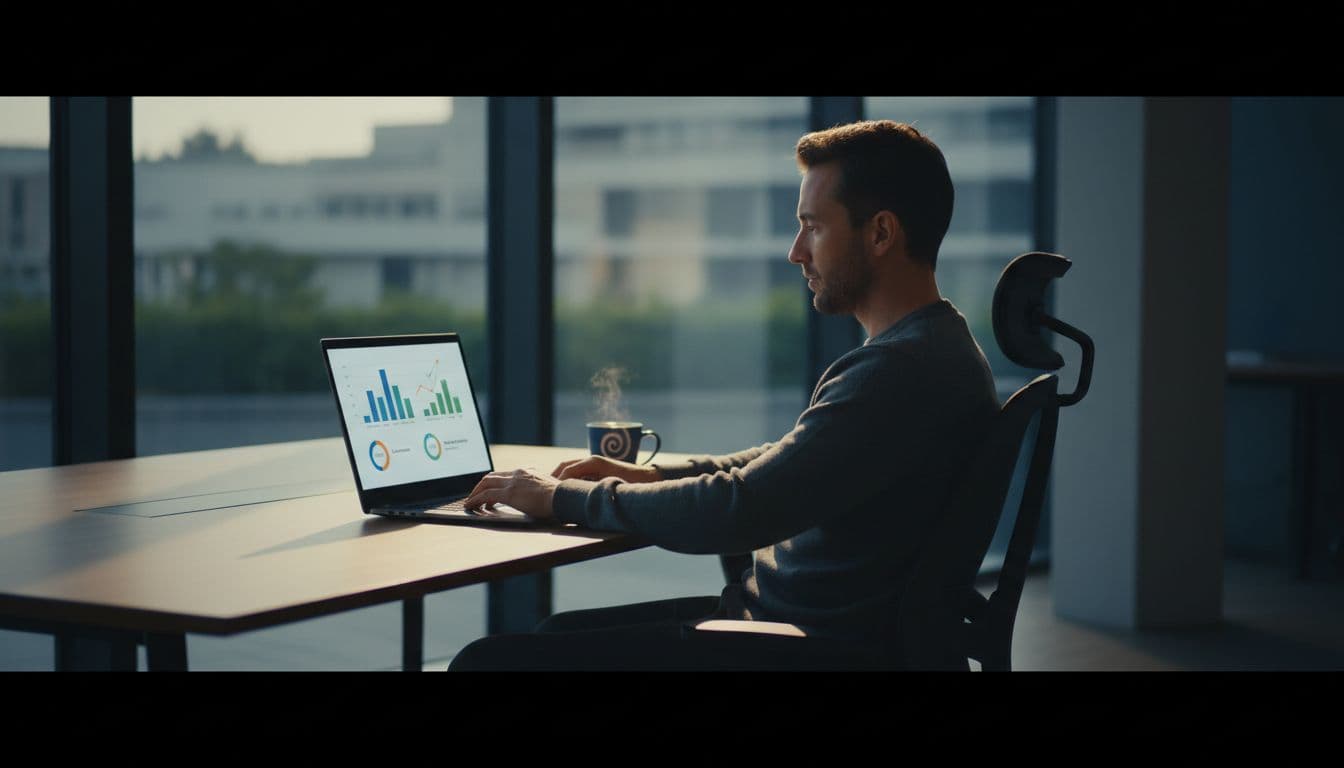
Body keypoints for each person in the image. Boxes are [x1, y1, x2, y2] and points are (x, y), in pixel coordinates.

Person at [449, 120, 1000, 670]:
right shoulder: (931, 351)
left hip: (801, 648)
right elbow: (783, 462)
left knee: (487, 662)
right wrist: (651, 476)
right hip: (787, 627)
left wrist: (560, 498)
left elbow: (744, 506)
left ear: (880, 234)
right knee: (553, 634)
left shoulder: (900, 370)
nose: (796, 252)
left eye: (813, 227)